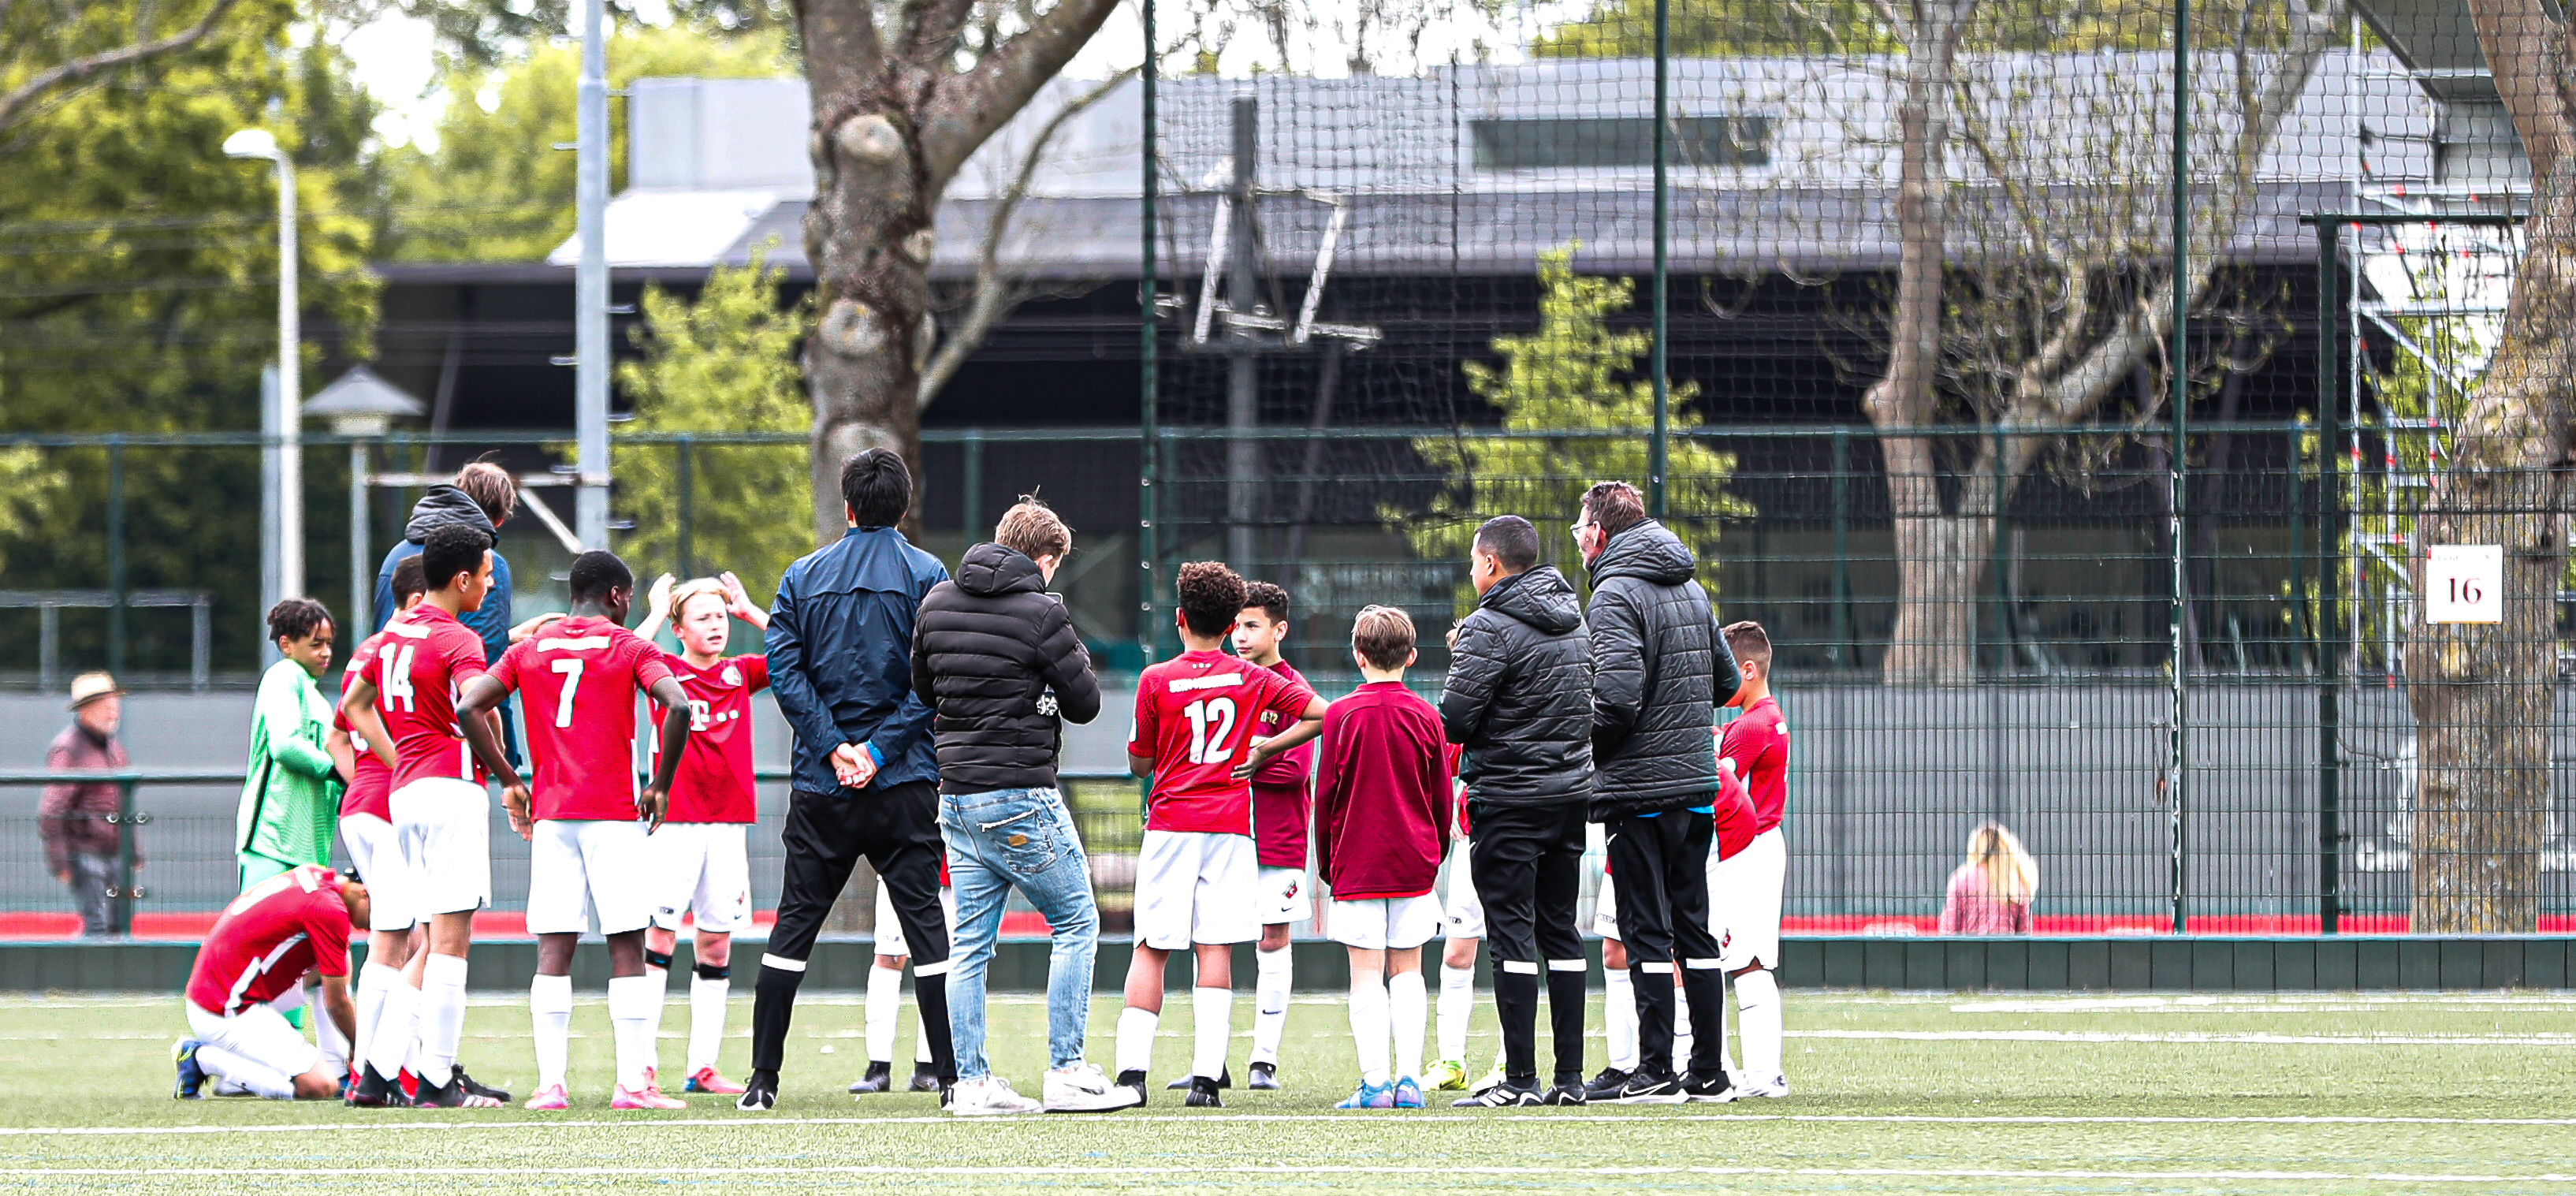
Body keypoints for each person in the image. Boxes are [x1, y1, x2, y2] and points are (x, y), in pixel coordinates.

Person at [741, 449, 954, 1112]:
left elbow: (785, 670)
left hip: (822, 787)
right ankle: (952, 1080)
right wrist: (880, 751)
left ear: (849, 505)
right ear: (904, 505)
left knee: (792, 931)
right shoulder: (928, 573)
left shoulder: (802, 576)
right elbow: (935, 680)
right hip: (906, 782)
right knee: (927, 934)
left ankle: (762, 1081)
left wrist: (835, 747)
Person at [911, 497, 1134, 1115]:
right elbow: (1085, 701)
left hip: (955, 798)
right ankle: (1066, 1072)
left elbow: (923, 687)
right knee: (1077, 922)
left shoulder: (936, 600)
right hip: (1020, 795)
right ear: (1043, 557)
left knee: (969, 946)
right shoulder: (1043, 612)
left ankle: (972, 1084)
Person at [460, 550, 693, 1111]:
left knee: (553, 949)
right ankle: (633, 1085)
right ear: (617, 596)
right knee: (626, 946)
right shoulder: (630, 645)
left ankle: (551, 1086)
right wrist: (659, 785)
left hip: (554, 815)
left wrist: (511, 780)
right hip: (613, 813)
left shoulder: (530, 647)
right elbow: (679, 705)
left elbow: (469, 705)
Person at [1116, 561, 1325, 1109]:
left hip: (1170, 825)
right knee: (1216, 948)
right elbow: (1321, 714)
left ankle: (1131, 1075)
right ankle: (1207, 1079)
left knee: (1152, 947)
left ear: (1180, 617)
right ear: (1231, 621)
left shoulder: (1155, 678)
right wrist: (1263, 748)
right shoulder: (1254, 678)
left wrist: (1166, 751)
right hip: (1230, 830)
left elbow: (1139, 762)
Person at [338, 523, 520, 1109]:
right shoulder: (458, 637)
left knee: (422, 940)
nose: (491, 587)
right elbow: (474, 702)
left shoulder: (393, 630)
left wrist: (399, 756)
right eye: (487, 576)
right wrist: (510, 775)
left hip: (406, 792)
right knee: (450, 942)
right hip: (448, 789)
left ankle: (375, 1074)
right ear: (462, 579)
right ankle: (437, 1079)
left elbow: (354, 706)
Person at [1576, 480, 1741, 1105]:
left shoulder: (1615, 591)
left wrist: (1582, 747)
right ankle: (1707, 1070)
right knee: (1694, 929)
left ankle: (1655, 1069)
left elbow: (1615, 699)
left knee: (1647, 930)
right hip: (1696, 786)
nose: (1580, 539)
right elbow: (1726, 681)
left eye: (1581, 528)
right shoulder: (1691, 587)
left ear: (1601, 532)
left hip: (1638, 787)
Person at [1435, 515, 1593, 1108]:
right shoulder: (1574, 618)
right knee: (1561, 929)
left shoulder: (1487, 625)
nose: (1472, 570)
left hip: (1508, 797)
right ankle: (1570, 1080)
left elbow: (1455, 717)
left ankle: (1520, 1079)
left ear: (1492, 564)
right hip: (1570, 795)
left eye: (1474, 560)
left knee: (1511, 935)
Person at [631, 572, 770, 1097]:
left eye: (720, 616)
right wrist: (653, 608)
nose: (716, 625)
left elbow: (798, 649)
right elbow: (627, 649)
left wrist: (748, 608)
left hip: (726, 825)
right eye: (703, 617)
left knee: (715, 943)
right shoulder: (661, 668)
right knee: (659, 938)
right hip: (674, 825)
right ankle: (642, 1065)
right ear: (678, 629)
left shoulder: (741, 672)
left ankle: (702, 1066)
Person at [1314, 606, 1449, 1111]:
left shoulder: (1339, 715)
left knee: (1366, 975)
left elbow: (1326, 795)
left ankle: (1375, 1085)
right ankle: (1410, 1082)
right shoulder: (1427, 716)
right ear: (1411, 656)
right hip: (1415, 862)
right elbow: (1440, 796)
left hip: (1356, 862)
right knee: (1410, 971)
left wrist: (1328, 863)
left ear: (1358, 655)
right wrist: (1435, 853)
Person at [333, 557, 426, 1106]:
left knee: (399, 939)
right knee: (404, 943)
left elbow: (337, 737)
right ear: (420, 599)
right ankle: (379, 1070)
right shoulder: (413, 647)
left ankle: (380, 1066)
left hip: (360, 806)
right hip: (389, 810)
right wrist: (398, 776)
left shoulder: (369, 651)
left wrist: (369, 780)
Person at [372, 462, 526, 764]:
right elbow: (486, 662)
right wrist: (505, 748)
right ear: (498, 521)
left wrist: (509, 638)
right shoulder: (486, 562)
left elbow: (407, 638)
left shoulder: (396, 555)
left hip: (390, 725)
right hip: (447, 738)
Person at [172, 864, 368, 1101]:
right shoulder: (328, 908)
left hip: (220, 991)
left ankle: (338, 1070)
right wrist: (361, 1048)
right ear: (364, 893)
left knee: (339, 958)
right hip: (224, 1009)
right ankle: (201, 1058)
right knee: (319, 1086)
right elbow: (337, 1002)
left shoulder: (317, 876)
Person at [1233, 580, 1314, 1093]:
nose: (1240, 635)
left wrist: (1247, 757)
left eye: (1252, 624)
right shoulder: (1223, 679)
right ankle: (1208, 1063)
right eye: (1236, 625)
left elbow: (1296, 768)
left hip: (1278, 837)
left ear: (1279, 629)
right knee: (1212, 940)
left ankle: (1264, 1058)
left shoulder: (1294, 688)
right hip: (1225, 834)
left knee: (1272, 938)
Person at [1718, 620, 1796, 1098]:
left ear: (1748, 670)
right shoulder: (1768, 717)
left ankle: (1761, 1076)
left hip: (1748, 848)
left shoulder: (1748, 727)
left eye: (1723, 671)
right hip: (1765, 844)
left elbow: (1719, 789)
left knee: (1745, 961)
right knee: (1752, 959)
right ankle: (1761, 1072)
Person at [238, 599, 341, 890]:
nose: (326, 652)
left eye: (329, 643)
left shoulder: (316, 696)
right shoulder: (283, 675)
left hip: (308, 847)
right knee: (259, 934)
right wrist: (337, 772)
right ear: (286, 645)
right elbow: (284, 745)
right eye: (316, 644)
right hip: (271, 842)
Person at [40, 673, 131, 937]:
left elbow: (124, 803)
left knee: (119, 924)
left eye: (114, 703)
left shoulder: (113, 747)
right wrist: (61, 862)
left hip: (115, 854)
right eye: (105, 705)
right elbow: (52, 811)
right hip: (86, 853)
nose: (113, 711)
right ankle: (91, 979)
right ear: (85, 710)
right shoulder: (68, 749)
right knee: (98, 924)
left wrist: (133, 851)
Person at [852, 866, 950, 1094]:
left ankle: (929, 1067)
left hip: (955, 865)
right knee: (889, 957)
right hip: (902, 864)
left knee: (945, 964)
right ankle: (878, 1068)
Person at [1940, 822, 2038, 937]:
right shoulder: (2016, 882)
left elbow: (1949, 927)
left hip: (1968, 951)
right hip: (2006, 951)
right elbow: (2024, 932)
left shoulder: (1961, 878)